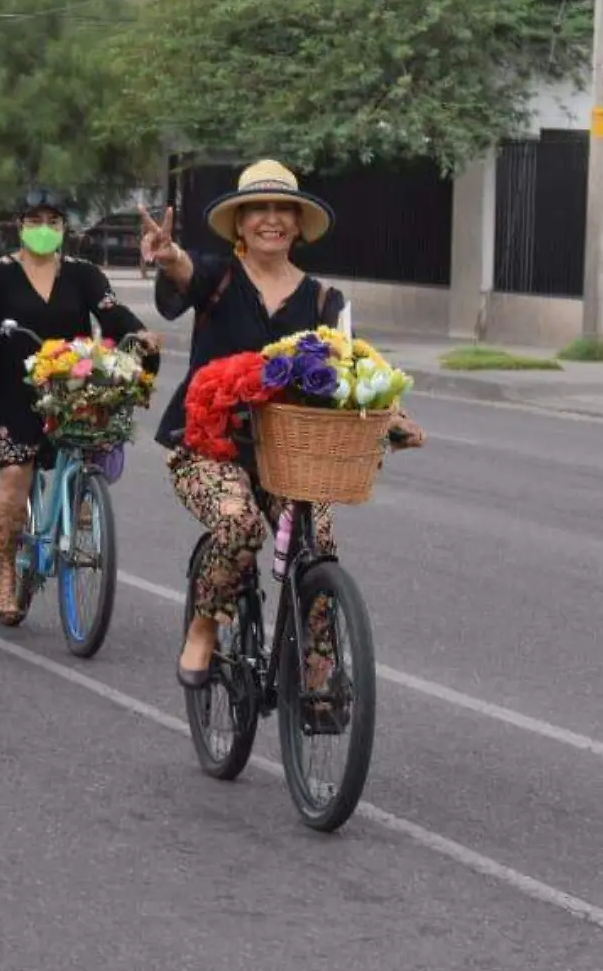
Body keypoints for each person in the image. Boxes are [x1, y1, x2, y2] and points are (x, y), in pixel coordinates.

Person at [139, 159, 423, 688]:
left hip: (289, 454)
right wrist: (168, 254)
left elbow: (353, 369)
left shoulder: (322, 300)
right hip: (204, 447)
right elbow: (182, 270)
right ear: (241, 223)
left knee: (318, 548)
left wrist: (392, 416)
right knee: (239, 524)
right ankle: (204, 627)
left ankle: (317, 677)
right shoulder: (217, 276)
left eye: (282, 211)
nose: (271, 220)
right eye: (258, 211)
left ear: (297, 224)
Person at [0, 187, 155, 626]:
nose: (44, 230)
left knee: (89, 440)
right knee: (15, 474)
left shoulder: (83, 273)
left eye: (53, 222)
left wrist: (141, 332)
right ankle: (5, 570)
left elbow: (112, 313)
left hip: (67, 385)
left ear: (64, 228)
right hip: (10, 387)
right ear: (20, 225)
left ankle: (79, 497)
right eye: (35, 221)